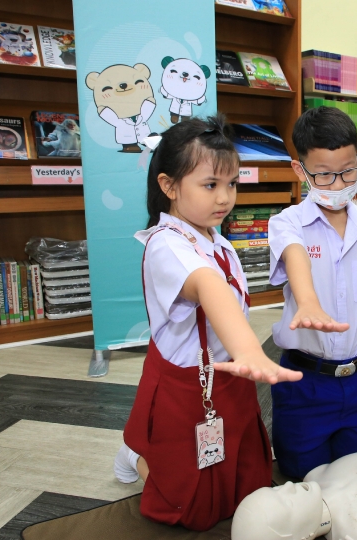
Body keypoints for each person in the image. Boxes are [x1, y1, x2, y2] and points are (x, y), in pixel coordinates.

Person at [112, 114, 301, 531]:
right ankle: (136, 454)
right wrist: (250, 350)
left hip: (230, 377)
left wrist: (243, 356)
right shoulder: (166, 245)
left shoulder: (216, 238)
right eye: (210, 185)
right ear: (169, 186)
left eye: (232, 184)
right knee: (190, 509)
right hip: (189, 386)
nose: (225, 198)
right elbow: (209, 286)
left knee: (248, 488)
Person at [268, 107, 357, 479]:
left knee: (356, 476)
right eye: (324, 175)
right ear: (300, 171)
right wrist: (308, 301)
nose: (339, 184)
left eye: (348, 171)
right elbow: (295, 256)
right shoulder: (287, 223)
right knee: (305, 479)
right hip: (304, 382)